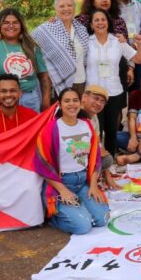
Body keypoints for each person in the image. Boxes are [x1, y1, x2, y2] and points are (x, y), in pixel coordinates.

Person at [33, 87, 108, 234]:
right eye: (67, 101)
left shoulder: (87, 124)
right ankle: (52, 217)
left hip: (82, 182)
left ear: (80, 103)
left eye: (75, 100)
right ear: (60, 104)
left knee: (102, 219)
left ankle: (80, 207)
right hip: (61, 184)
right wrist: (63, 190)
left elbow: (95, 158)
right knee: (83, 227)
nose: (72, 104)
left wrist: (93, 186)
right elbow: (42, 164)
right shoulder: (51, 128)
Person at [86, 10, 141, 155]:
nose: (100, 23)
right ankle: (96, 164)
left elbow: (138, 59)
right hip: (93, 93)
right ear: (91, 25)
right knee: (95, 131)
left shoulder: (117, 41)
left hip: (114, 91)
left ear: (108, 23)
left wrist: (139, 44)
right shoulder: (86, 42)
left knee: (112, 130)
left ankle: (110, 162)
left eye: (103, 20)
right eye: (97, 20)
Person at [0, 8, 49, 111]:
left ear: (21, 25)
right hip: (1, 100)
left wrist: (46, 100)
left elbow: (44, 77)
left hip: (30, 100)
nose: (11, 26)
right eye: (6, 23)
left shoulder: (32, 46)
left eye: (15, 22)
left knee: (31, 127)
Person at [33, 0, 89, 98]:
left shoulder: (81, 29)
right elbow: (27, 39)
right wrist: (0, 36)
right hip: (57, 82)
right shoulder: (47, 29)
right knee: (60, 113)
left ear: (74, 8)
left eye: (69, 5)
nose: (66, 9)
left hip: (80, 81)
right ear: (56, 9)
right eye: (62, 6)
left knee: (77, 113)